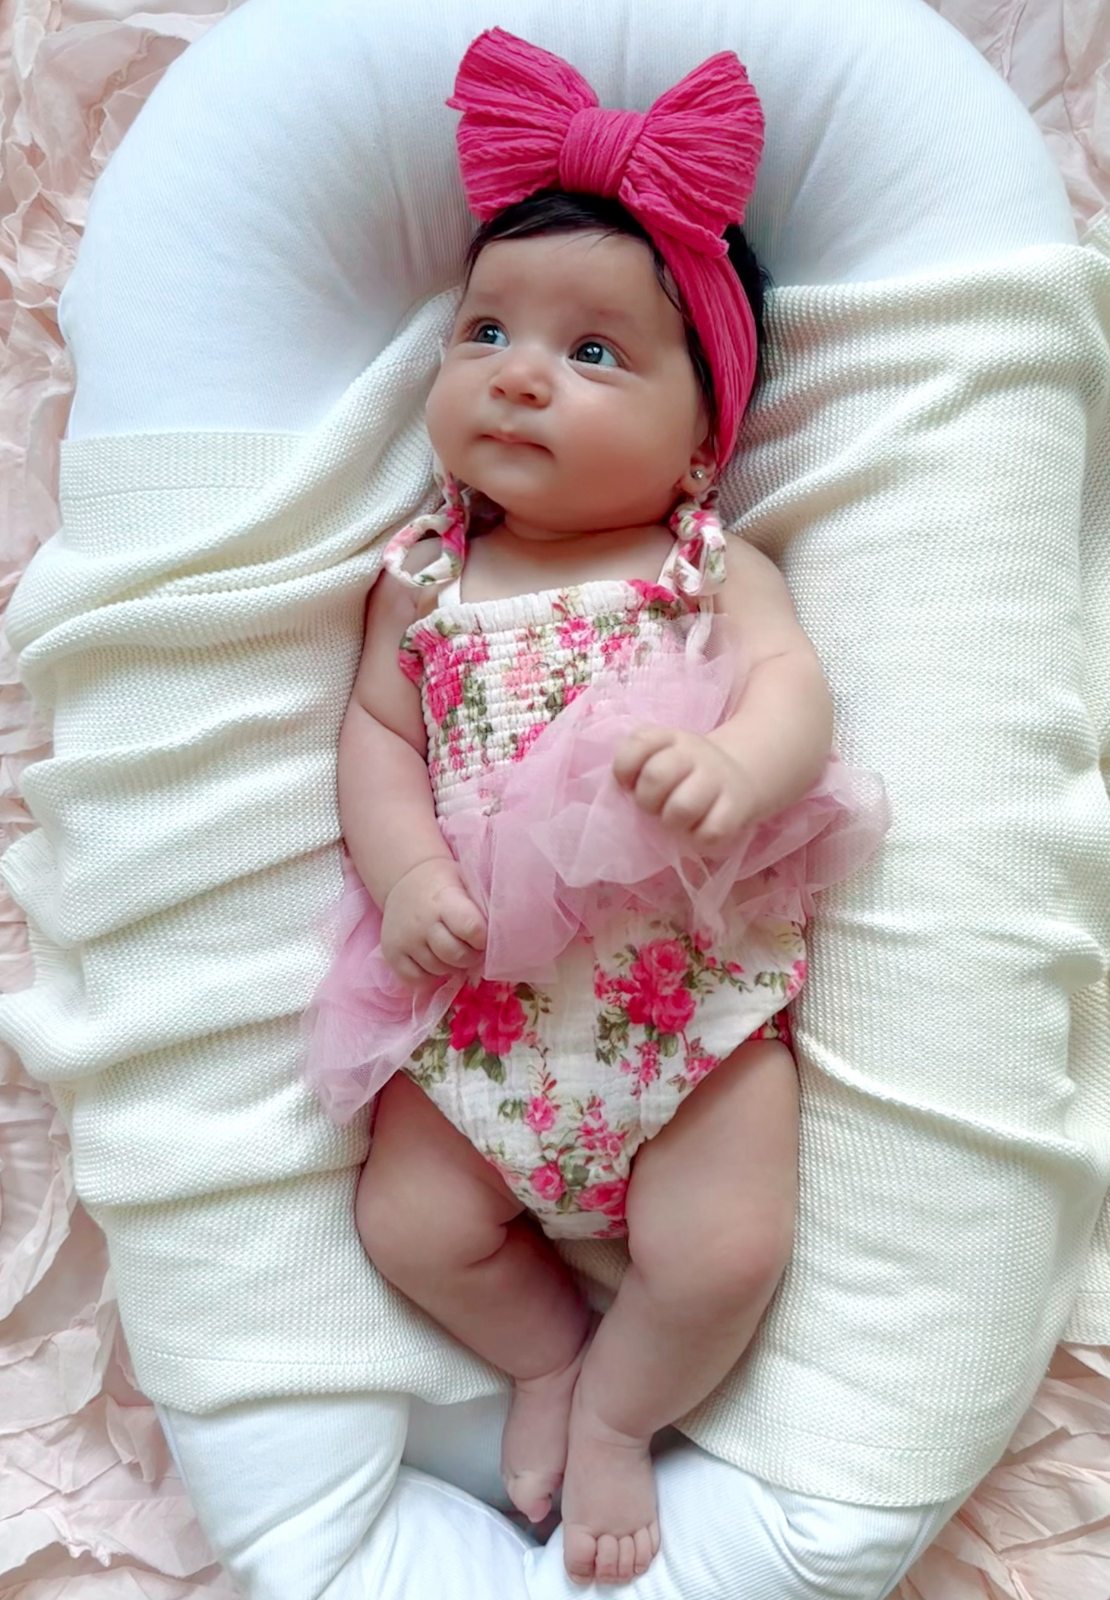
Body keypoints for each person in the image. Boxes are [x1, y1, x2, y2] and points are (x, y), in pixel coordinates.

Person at [305, 29, 886, 1587]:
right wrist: (409, 863)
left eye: (594, 353)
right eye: (485, 327)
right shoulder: (422, 576)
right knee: (413, 1228)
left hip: (675, 988)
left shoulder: (706, 565)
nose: (516, 371)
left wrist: (739, 771)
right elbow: (377, 735)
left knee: (726, 1249)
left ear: (705, 436)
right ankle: (551, 1351)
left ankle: (623, 1411)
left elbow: (790, 690)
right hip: (479, 993)